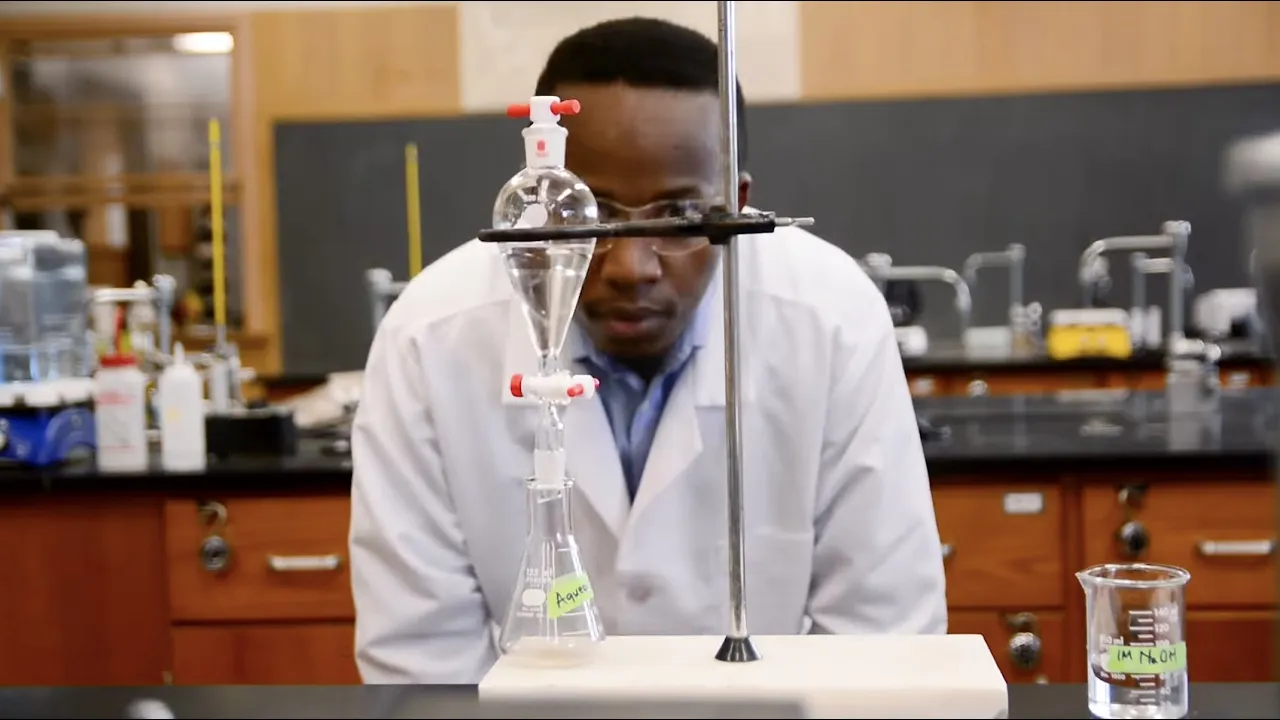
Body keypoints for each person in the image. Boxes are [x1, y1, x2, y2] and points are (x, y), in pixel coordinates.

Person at [349, 16, 946, 685]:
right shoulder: (430, 335)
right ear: (541, 193)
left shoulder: (832, 318)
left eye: (681, 217)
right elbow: (422, 661)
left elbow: (882, 634)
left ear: (737, 204)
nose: (632, 268)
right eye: (591, 214)